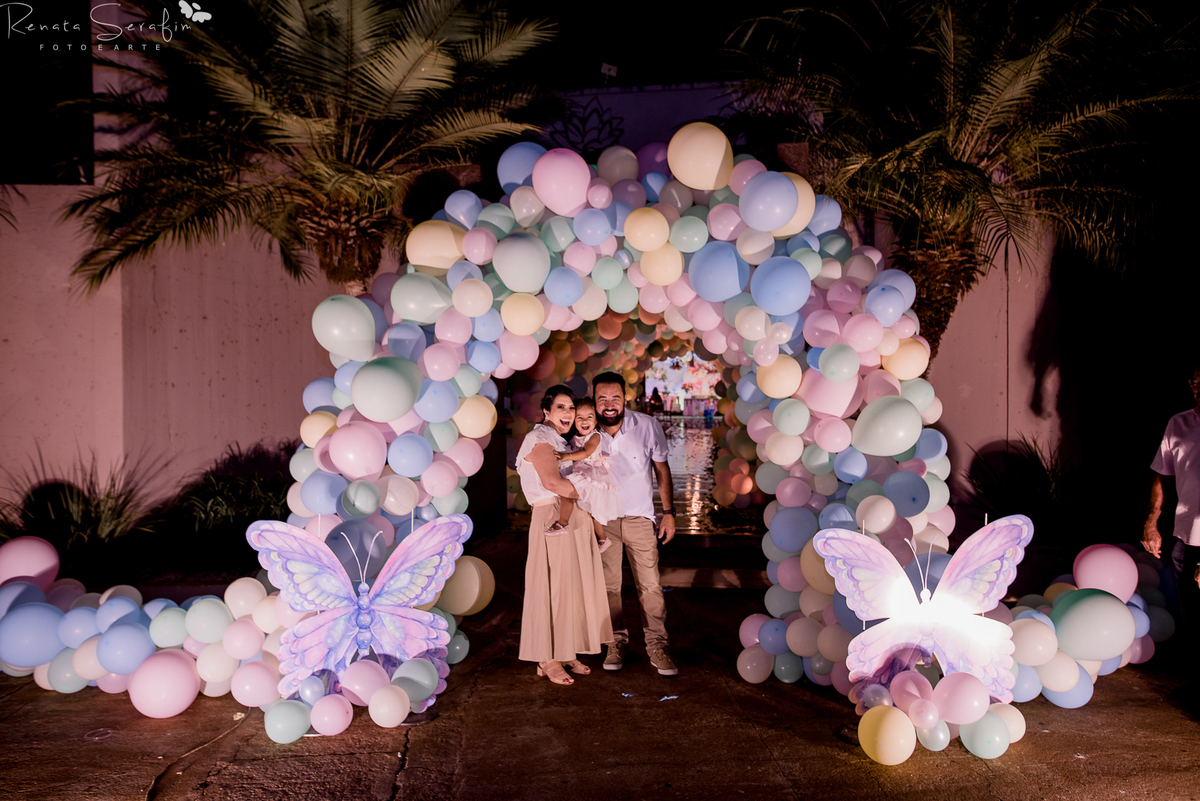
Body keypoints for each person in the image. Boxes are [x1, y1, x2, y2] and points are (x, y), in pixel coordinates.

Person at [515, 385, 613, 686]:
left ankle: (566, 649)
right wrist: (597, 498)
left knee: (570, 588)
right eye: (561, 407)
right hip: (552, 515)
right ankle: (547, 657)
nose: (569, 414)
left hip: (572, 516)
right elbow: (553, 483)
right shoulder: (539, 439)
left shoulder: (561, 440)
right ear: (546, 411)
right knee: (554, 588)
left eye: (571, 408)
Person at [592, 371, 678, 676]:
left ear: (624, 398)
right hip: (603, 521)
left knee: (651, 585)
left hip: (640, 518)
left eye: (615, 397)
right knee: (608, 588)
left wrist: (668, 512)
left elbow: (662, 471)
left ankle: (657, 645)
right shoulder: (586, 431)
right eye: (602, 398)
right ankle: (615, 642)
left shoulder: (647, 426)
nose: (609, 404)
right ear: (594, 401)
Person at [1143, 366, 1200, 628]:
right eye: (1196, 382)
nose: (1199, 389)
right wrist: (1151, 523)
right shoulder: (1178, 423)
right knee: (1190, 613)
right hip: (1186, 536)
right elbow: (1163, 477)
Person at [551, 398, 619, 554]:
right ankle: (601, 539)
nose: (584, 420)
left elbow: (587, 452)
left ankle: (564, 523)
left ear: (596, 421)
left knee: (594, 511)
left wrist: (566, 457)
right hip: (581, 470)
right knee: (587, 509)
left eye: (589, 417)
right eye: (579, 417)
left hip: (591, 473)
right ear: (575, 421)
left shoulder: (595, 436)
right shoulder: (575, 437)